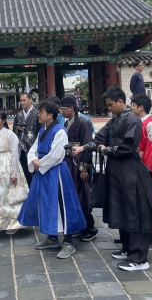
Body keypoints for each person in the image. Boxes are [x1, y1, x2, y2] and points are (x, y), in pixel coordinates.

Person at [74, 86, 152, 272]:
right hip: (117, 172)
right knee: (121, 210)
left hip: (131, 172)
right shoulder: (114, 120)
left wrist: (106, 150)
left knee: (134, 212)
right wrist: (83, 148)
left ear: (121, 102)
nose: (109, 108)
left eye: (111, 104)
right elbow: (99, 139)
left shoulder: (132, 120)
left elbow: (128, 148)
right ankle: (128, 248)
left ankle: (139, 258)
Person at [18, 101, 86, 259]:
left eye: (41, 112)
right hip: (44, 171)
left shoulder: (60, 130)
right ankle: (52, 237)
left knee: (62, 204)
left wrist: (39, 164)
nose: (38, 115)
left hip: (56, 172)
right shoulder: (43, 130)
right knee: (46, 204)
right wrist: (33, 159)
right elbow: (33, 148)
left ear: (50, 115)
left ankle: (68, 242)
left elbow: (56, 155)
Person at [59, 96, 98, 242]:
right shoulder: (67, 122)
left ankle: (90, 228)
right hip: (70, 162)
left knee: (83, 195)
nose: (61, 112)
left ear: (71, 108)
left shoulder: (82, 122)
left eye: (63, 109)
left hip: (79, 162)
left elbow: (87, 147)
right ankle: (80, 226)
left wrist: (84, 169)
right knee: (73, 195)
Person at [131, 94, 152, 241]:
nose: (131, 108)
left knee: (147, 202)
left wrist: (147, 174)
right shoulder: (139, 123)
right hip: (138, 168)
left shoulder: (151, 126)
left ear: (141, 107)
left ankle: (147, 232)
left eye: (133, 105)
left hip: (147, 170)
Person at [13, 92, 40, 186]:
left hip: (32, 145)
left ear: (30, 100)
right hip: (20, 146)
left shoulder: (37, 113)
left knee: (33, 170)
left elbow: (40, 130)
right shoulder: (19, 114)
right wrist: (17, 128)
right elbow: (14, 130)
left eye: (24, 100)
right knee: (23, 169)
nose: (22, 102)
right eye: (21, 101)